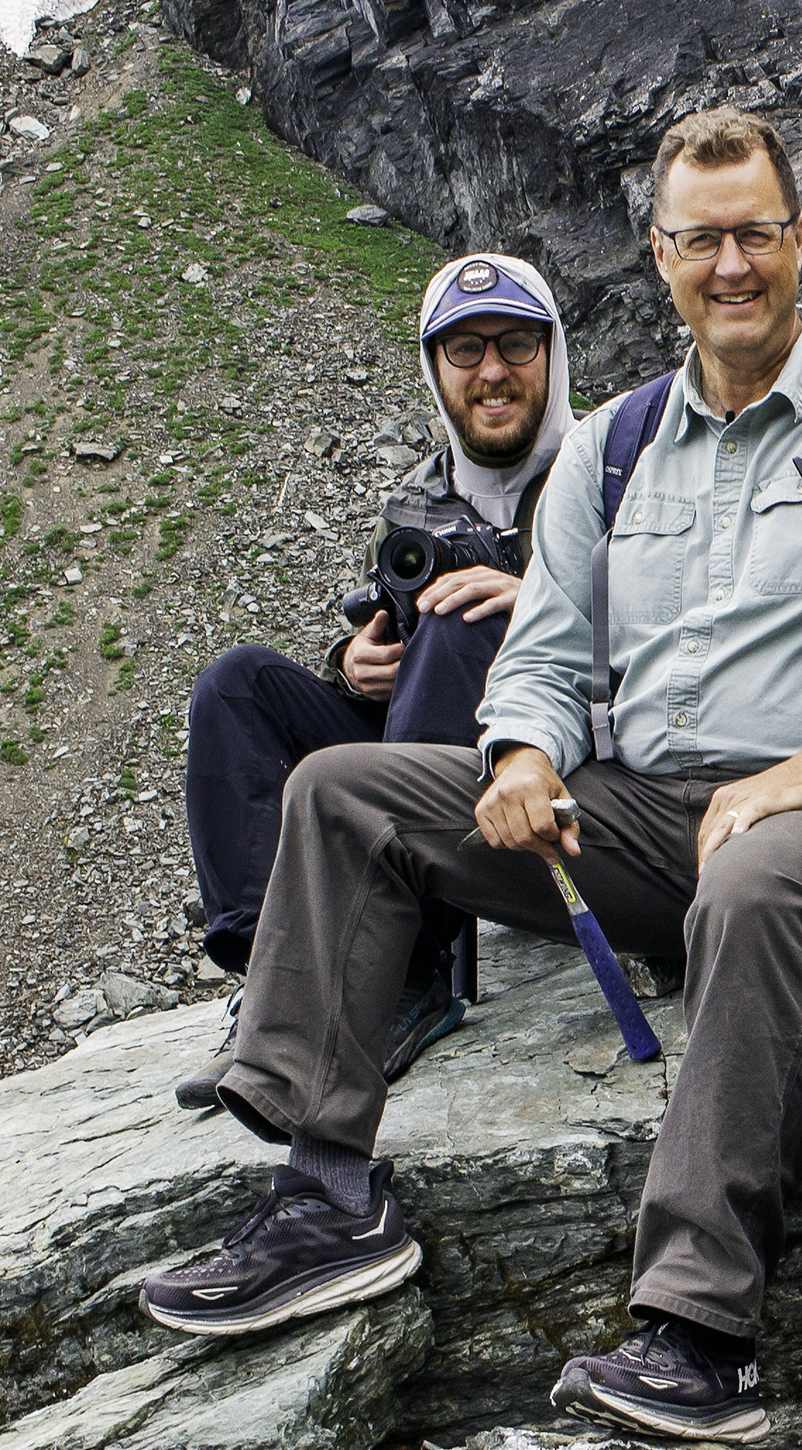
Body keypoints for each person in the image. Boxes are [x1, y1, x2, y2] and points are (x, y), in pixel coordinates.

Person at [142, 107, 802, 1429]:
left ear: (798, 238)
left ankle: (699, 1338)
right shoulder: (615, 445)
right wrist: (525, 750)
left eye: (755, 234)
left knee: (752, 890)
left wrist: (801, 773)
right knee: (342, 792)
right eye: (700, 240)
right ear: (657, 255)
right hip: (650, 810)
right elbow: (543, 650)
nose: (731, 268)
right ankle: (325, 1193)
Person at [175, 254, 573, 1100]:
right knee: (235, 684)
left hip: (561, 759)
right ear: (435, 370)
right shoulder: (416, 505)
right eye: (464, 351)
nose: (491, 370)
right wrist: (359, 671)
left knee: (464, 617)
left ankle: (408, 971)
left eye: (513, 344)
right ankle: (274, 982)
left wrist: (535, 597)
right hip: (435, 759)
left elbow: (676, 624)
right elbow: (391, 637)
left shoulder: (610, 467)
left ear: (552, 353)